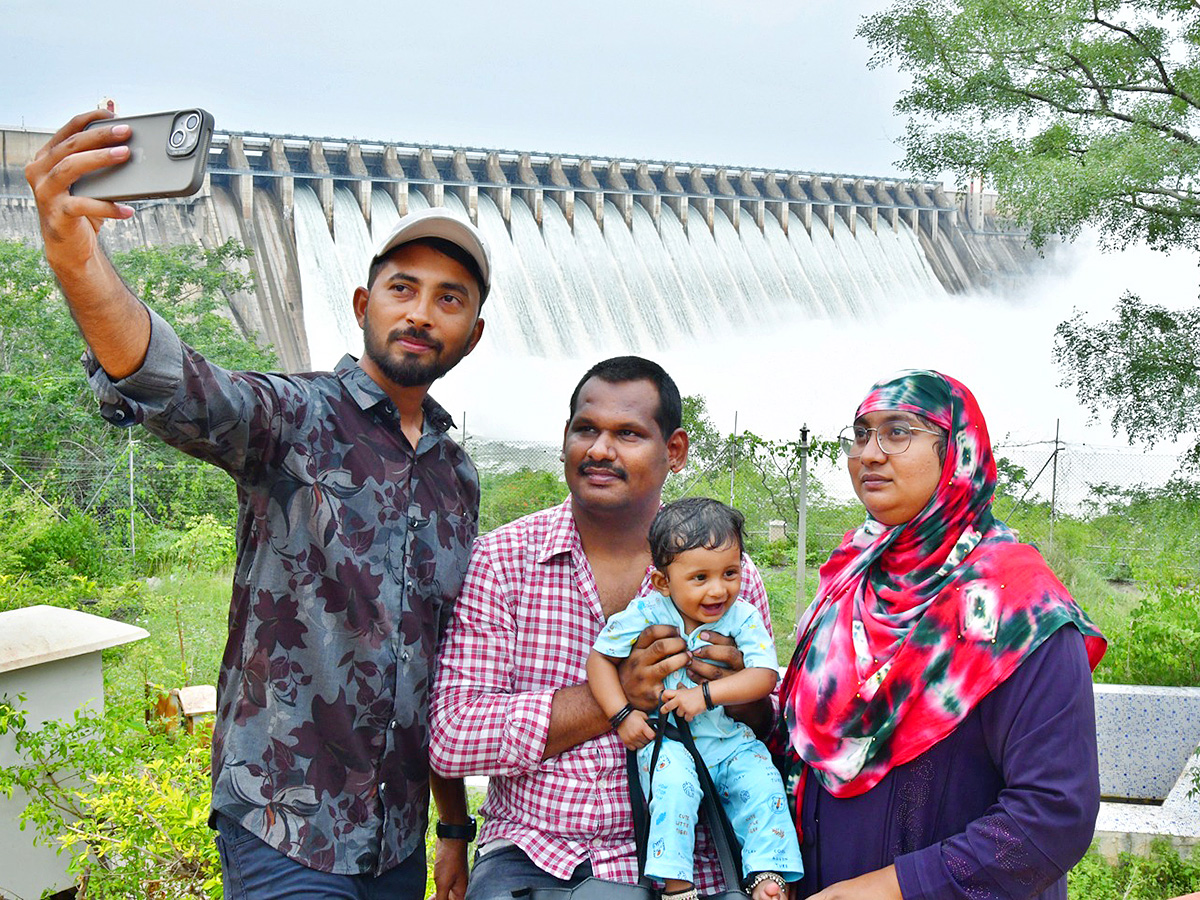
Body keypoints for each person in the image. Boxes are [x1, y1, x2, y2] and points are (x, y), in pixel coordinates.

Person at [26, 109, 490, 900]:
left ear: (471, 334)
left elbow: (437, 667)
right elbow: (177, 382)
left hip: (396, 842)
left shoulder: (459, 479)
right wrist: (75, 256)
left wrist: (451, 828)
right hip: (283, 825)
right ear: (362, 304)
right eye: (402, 288)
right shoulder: (294, 418)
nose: (419, 312)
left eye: (448, 299)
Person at [428, 357, 786, 900]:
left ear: (675, 451)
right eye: (586, 430)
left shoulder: (728, 579)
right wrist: (617, 698)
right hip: (535, 855)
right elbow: (452, 735)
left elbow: (766, 731)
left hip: (691, 863)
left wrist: (737, 697)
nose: (599, 449)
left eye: (628, 434)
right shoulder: (500, 561)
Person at [776, 369, 1107, 900]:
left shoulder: (1018, 603)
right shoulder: (847, 582)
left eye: (898, 431)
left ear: (957, 451)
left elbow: (1053, 814)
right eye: (861, 434)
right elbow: (805, 743)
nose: (870, 454)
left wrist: (895, 888)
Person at [587, 497, 803, 900]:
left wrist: (707, 694)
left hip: (729, 741)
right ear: (663, 582)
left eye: (731, 573)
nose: (719, 589)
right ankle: (676, 886)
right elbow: (599, 659)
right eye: (700, 578)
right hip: (671, 741)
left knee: (762, 782)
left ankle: (768, 872)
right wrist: (621, 715)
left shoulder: (742, 616)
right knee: (672, 787)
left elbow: (764, 676)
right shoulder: (648, 612)